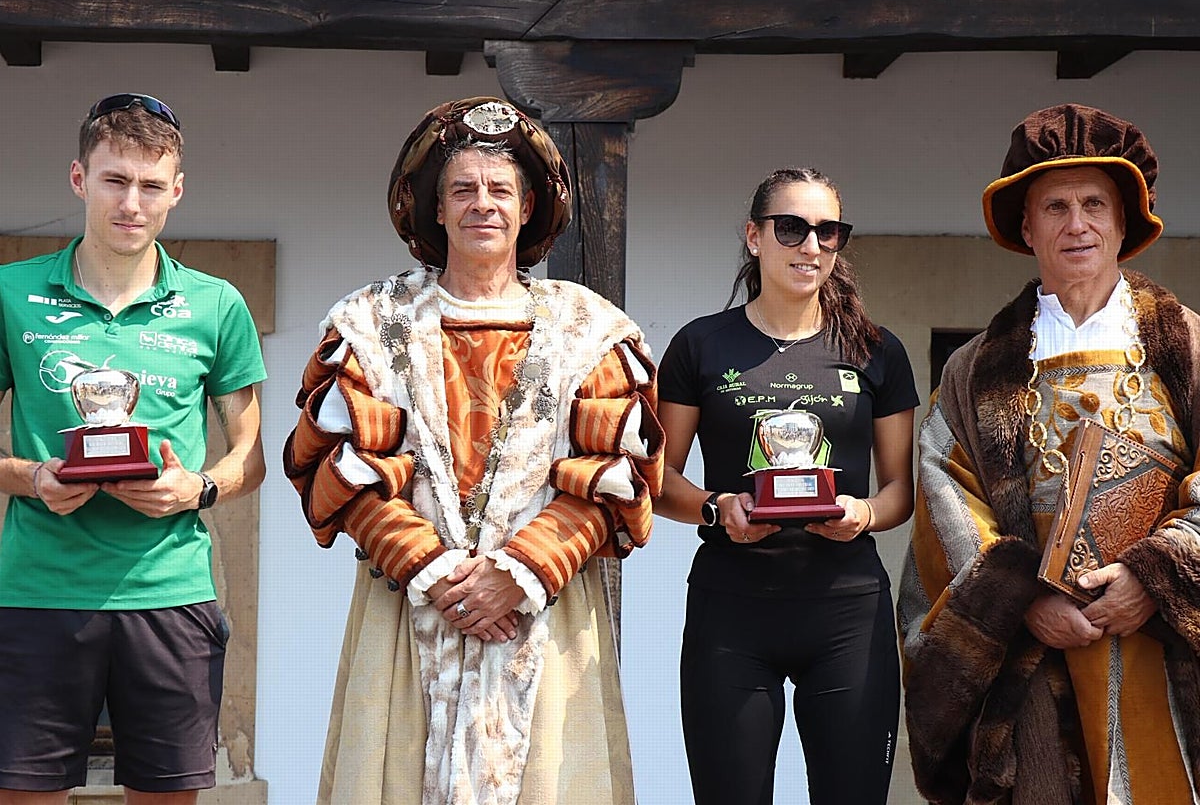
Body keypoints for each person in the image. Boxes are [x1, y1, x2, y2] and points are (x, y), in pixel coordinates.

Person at [283, 96, 663, 805]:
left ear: (527, 209)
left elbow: (617, 474)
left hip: (542, 613)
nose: (481, 205)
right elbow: (343, 467)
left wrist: (516, 574)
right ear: (435, 209)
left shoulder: (591, 328)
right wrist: (439, 575)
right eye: (462, 189)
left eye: (499, 191)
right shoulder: (371, 322)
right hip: (407, 606)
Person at [899, 103, 1200, 803]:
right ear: (1025, 227)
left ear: (1126, 222)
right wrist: (1020, 602)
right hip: (1033, 661)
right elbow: (945, 497)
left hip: (1164, 652)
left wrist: (1156, 577)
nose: (1077, 224)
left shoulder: (1188, 347)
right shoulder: (974, 369)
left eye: (1095, 203)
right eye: (1055, 206)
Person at [0, 93, 267, 805]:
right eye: (115, 179)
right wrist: (32, 477)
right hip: (37, 592)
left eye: (152, 186)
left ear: (176, 192)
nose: (133, 203)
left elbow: (251, 458)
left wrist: (198, 488)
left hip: (171, 595)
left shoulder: (217, 304)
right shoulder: (10, 293)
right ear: (79, 178)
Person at [654, 168, 918, 805]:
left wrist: (862, 513)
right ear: (754, 237)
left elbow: (900, 491)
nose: (811, 245)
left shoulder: (878, 351)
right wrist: (717, 509)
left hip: (847, 611)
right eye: (792, 227)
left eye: (829, 232)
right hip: (732, 608)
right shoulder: (699, 345)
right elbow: (658, 480)